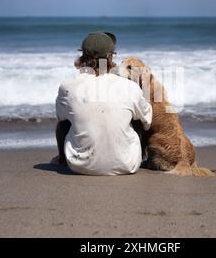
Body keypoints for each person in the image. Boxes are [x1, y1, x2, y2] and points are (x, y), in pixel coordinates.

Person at [55, 31, 152, 175]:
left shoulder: (68, 86)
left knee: (65, 122)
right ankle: (136, 156)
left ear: (82, 56)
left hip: (79, 166)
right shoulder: (129, 86)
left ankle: (62, 159)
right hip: (127, 166)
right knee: (138, 117)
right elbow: (148, 121)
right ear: (110, 56)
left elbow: (61, 118)